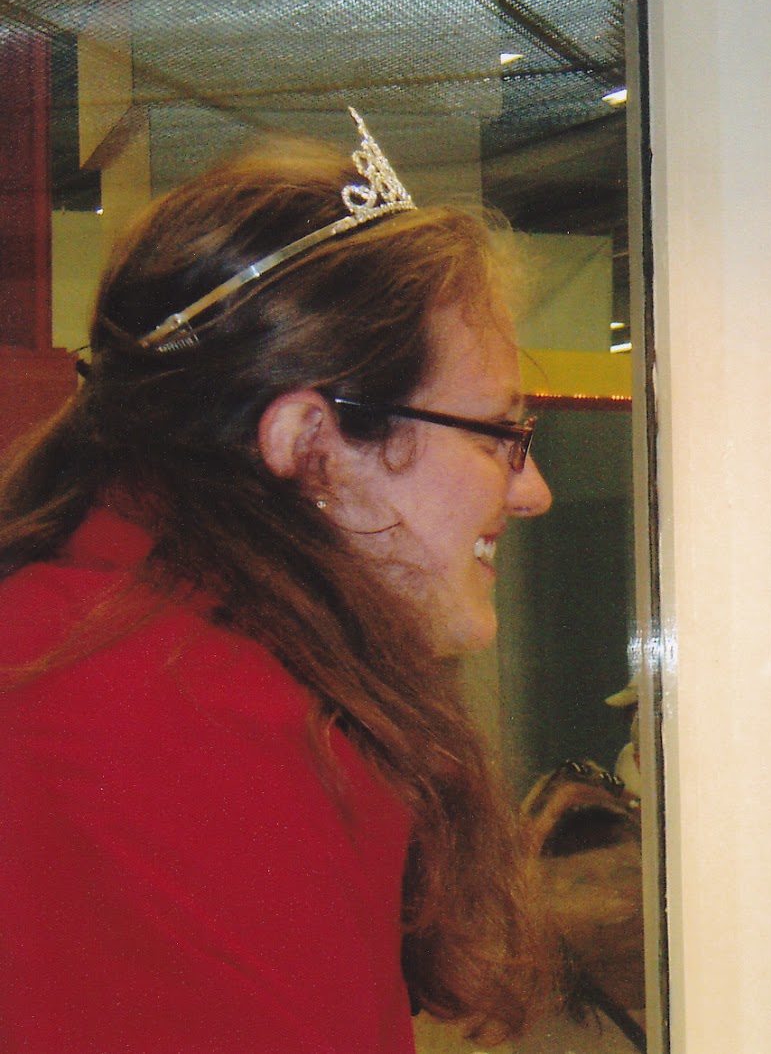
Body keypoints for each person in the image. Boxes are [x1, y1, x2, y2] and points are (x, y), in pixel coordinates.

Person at [0, 110, 556, 1052]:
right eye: (502, 436)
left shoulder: (127, 647)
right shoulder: (180, 716)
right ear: (309, 446)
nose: (534, 490)